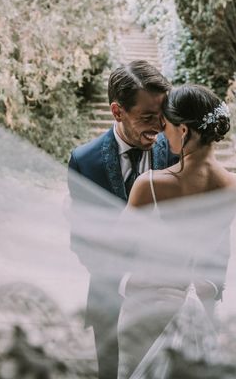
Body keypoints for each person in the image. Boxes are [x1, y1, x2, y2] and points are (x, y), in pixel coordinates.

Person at [116, 84, 236, 379]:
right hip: (198, 304)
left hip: (149, 304)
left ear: (184, 130)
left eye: (167, 125)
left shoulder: (150, 184)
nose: (162, 132)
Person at [67, 60, 178, 379]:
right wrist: (127, 279)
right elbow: (82, 239)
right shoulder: (85, 162)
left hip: (166, 301)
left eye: (163, 115)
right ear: (117, 112)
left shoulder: (174, 151)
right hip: (110, 301)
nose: (159, 126)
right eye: (147, 117)